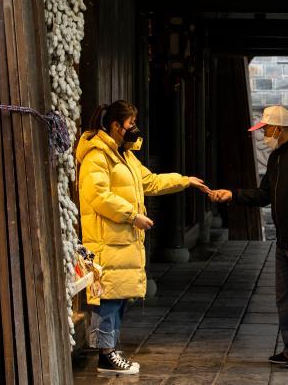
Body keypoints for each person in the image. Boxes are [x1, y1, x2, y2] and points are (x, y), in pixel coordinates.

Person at [76, 101, 210, 375]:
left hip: (122, 240)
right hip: (106, 240)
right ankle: (105, 356)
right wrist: (132, 215)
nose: (135, 129)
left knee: (118, 297)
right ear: (116, 126)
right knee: (107, 299)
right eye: (131, 124)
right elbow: (98, 196)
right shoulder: (96, 156)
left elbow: (150, 181)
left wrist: (184, 180)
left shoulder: (124, 155)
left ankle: (111, 351)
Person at [209, 105, 288, 370]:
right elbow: (264, 195)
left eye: (266, 129)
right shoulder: (276, 157)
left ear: (279, 128)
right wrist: (233, 195)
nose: (263, 135)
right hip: (284, 239)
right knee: (285, 299)